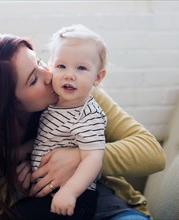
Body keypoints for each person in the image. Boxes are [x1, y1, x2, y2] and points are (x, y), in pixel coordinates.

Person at [0, 31, 165, 220]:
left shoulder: (79, 94)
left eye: (39, 62)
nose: (49, 75)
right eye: (33, 79)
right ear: (6, 107)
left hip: (112, 211)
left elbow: (151, 152)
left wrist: (79, 158)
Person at [26, 24, 107, 218]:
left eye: (81, 68)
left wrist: (69, 192)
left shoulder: (87, 113)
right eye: (61, 66)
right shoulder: (53, 104)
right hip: (46, 193)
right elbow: (43, 139)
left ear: (98, 77)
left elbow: (93, 157)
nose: (69, 74)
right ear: (50, 67)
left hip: (75, 197)